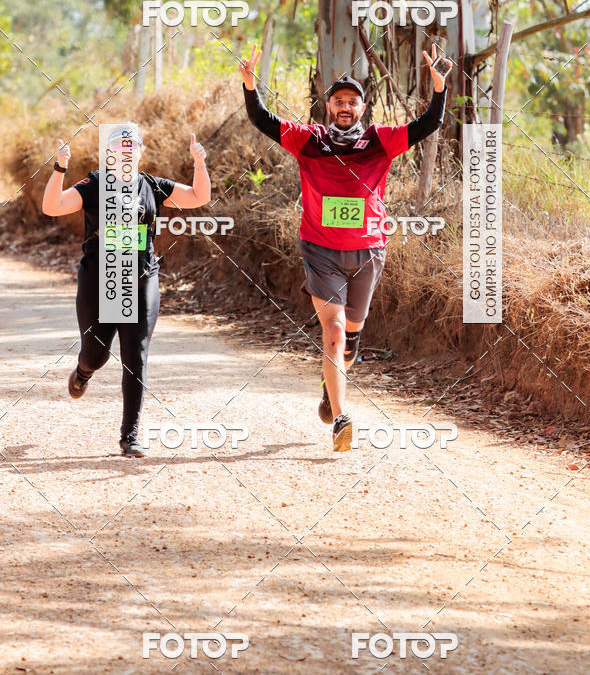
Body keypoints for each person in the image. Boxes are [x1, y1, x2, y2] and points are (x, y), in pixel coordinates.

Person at [239, 46, 450, 452]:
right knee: (333, 333)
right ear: (328, 106)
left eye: (352, 101)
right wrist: (251, 86)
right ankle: (341, 418)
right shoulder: (309, 141)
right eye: (338, 101)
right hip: (320, 250)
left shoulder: (380, 141)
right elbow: (261, 119)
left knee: (352, 336)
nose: (345, 107)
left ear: (363, 107)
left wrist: (438, 90)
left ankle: (329, 389)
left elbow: (429, 123)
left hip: (369, 251)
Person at [41, 124, 211, 457]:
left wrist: (199, 163)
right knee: (97, 353)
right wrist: (60, 167)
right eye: (120, 145)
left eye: (133, 145)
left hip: (142, 276)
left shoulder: (151, 185)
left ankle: (129, 435)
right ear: (110, 152)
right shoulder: (95, 183)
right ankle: (83, 371)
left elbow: (198, 197)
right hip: (99, 277)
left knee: (136, 353)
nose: (127, 149)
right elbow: (53, 206)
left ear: (142, 151)